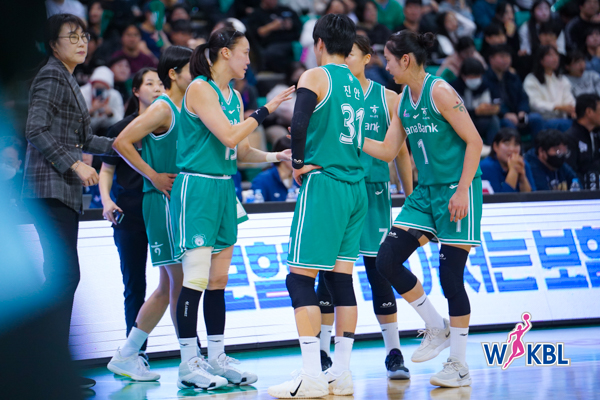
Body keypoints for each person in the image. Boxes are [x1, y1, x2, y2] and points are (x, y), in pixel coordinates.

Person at [169, 28, 294, 390]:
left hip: (225, 188)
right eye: (245, 52)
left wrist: (277, 156)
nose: (249, 61)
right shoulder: (199, 89)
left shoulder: (235, 96)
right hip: (197, 188)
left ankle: (216, 357)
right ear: (225, 53)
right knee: (195, 278)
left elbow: (240, 151)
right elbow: (228, 135)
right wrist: (266, 110)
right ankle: (188, 362)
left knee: (219, 281)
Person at [363, 30, 484, 388]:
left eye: (388, 60)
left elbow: (475, 141)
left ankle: (458, 365)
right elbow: (388, 150)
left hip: (456, 190)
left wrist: (462, 191)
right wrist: (350, 137)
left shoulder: (440, 91)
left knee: (450, 278)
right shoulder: (402, 100)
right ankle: (434, 325)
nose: (385, 66)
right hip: (425, 193)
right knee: (386, 260)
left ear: (406, 59)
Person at [267, 14, 366, 398]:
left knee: (299, 279)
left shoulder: (316, 76)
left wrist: (296, 162)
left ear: (319, 43)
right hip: (355, 186)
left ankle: (311, 373)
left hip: (325, 184)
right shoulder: (357, 84)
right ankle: (341, 372)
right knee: (341, 280)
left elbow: (299, 123)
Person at [22, 13, 116, 389]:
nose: (81, 42)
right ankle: (47, 368)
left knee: (62, 277)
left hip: (60, 190)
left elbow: (85, 139)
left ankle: (50, 367)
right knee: (63, 276)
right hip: (49, 188)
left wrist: (125, 146)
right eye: (71, 36)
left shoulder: (67, 76)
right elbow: (35, 128)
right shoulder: (51, 75)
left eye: (84, 36)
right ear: (53, 44)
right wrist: (74, 164)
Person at [315, 34, 414, 381]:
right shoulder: (329, 91)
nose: (345, 60)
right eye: (342, 55)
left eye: (351, 55)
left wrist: (410, 197)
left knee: (379, 272)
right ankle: (323, 352)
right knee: (329, 274)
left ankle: (394, 352)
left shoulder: (387, 98)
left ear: (367, 58)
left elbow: (401, 153)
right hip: (338, 189)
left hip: (373, 192)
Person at [108, 47, 192, 382]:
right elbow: (121, 143)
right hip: (160, 201)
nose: (197, 75)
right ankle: (190, 359)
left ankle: (127, 354)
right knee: (179, 283)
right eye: (192, 69)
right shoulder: (162, 107)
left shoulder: (187, 106)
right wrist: (152, 175)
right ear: (174, 73)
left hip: (177, 201)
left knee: (166, 287)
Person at [99, 67, 164, 367]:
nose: (157, 88)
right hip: (130, 214)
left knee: (177, 285)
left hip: (163, 212)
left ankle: (192, 352)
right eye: (149, 83)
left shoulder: (171, 126)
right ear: (136, 91)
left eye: (160, 83)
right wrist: (106, 200)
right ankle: (135, 354)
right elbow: (107, 170)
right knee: (134, 285)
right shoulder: (121, 129)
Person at [523, 45, 575, 131]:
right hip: (543, 119)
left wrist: (571, 109)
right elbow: (535, 103)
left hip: (562, 117)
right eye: (550, 55)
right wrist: (557, 107)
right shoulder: (531, 79)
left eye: (556, 55)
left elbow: (569, 99)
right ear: (541, 60)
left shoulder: (562, 79)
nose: (555, 58)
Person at [451, 57, 500, 145]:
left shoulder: (485, 85)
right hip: (460, 122)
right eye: (473, 76)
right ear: (463, 76)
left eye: (478, 76)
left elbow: (489, 103)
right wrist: (475, 111)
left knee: (494, 120)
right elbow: (453, 111)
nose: (476, 79)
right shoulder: (453, 88)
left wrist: (491, 109)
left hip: (478, 121)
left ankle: (492, 148)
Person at [247, 0, 303, 72]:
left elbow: (299, 26)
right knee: (270, 53)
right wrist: (272, 26)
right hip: (268, 44)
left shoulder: (286, 10)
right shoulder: (256, 14)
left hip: (289, 43)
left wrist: (291, 25)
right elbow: (257, 33)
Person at [565, 93, 600, 185]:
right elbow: (570, 172)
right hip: (581, 189)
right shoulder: (570, 138)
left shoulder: (597, 134)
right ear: (589, 112)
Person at [80, 66, 125, 136]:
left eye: (103, 88)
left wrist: (110, 114)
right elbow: (76, 122)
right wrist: (91, 111)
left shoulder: (115, 95)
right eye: (97, 87)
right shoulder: (82, 93)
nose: (100, 91)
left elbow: (120, 123)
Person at [251, 136, 297, 201]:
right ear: (283, 156)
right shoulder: (262, 180)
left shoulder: (300, 178)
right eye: (295, 155)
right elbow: (257, 205)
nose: (299, 160)